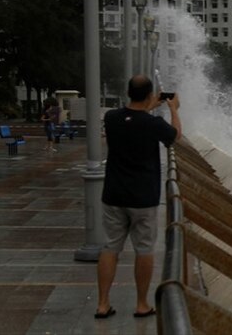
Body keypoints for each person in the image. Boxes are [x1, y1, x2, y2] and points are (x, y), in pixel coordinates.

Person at [94, 74, 182, 320]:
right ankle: (142, 304)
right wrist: (173, 109)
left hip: (113, 195)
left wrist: (147, 106)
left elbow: (133, 116)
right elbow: (175, 136)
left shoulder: (112, 119)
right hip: (143, 197)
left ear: (129, 93)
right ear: (149, 94)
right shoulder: (152, 125)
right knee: (144, 250)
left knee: (110, 248)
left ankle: (102, 304)